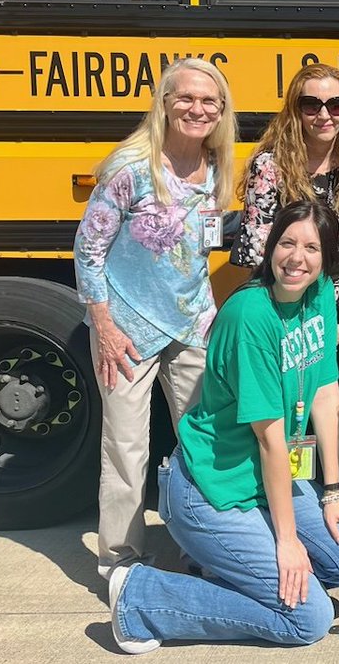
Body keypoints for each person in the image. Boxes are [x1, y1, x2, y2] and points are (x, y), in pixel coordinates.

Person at [106, 201, 339, 652]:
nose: (297, 258)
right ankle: (142, 598)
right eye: (287, 243)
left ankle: (220, 566)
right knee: (308, 620)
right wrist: (288, 542)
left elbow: (326, 395)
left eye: (312, 247)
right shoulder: (250, 315)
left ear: (328, 257)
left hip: (269, 483)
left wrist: (334, 494)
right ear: (271, 247)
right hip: (214, 489)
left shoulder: (321, 299)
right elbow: (271, 441)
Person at [74, 57, 237, 581]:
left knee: (202, 442)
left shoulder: (216, 168)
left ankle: (199, 546)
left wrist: (212, 312)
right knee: (126, 449)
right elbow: (88, 248)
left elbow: (204, 247)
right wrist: (102, 324)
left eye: (210, 100)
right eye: (186, 97)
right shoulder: (131, 167)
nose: (198, 108)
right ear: (164, 104)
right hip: (125, 330)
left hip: (192, 327)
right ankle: (119, 560)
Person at [232, 62, 339, 338]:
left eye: (335, 105)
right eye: (311, 105)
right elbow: (257, 256)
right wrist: (276, 322)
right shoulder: (270, 168)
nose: (324, 115)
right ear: (295, 110)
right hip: (282, 312)